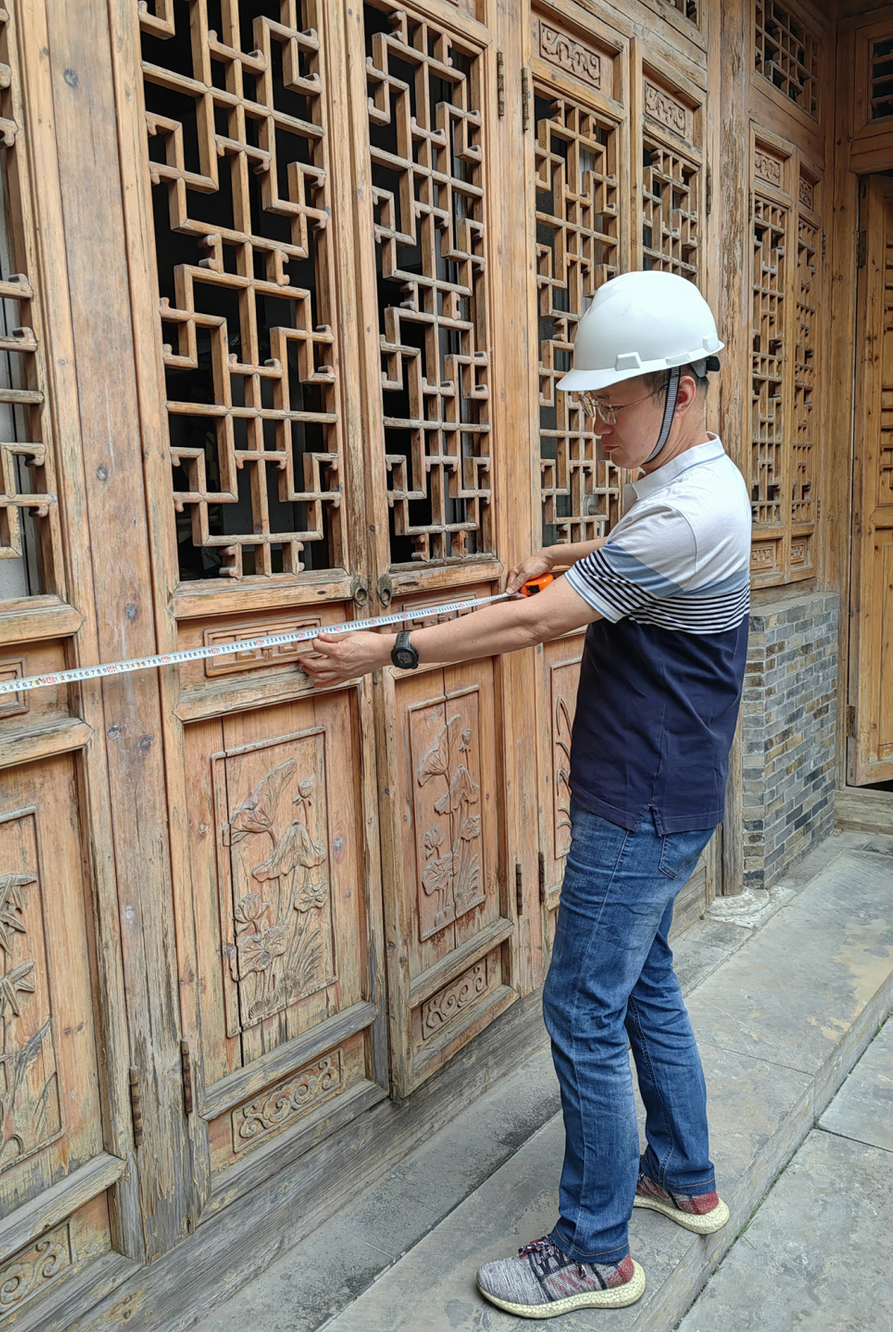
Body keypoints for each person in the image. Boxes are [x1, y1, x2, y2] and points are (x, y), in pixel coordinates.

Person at [299, 270, 751, 1320]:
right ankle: (684, 1177)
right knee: (642, 984)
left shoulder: (683, 515)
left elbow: (533, 623)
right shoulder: (695, 486)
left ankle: (594, 1252)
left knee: (581, 1008)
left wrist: (387, 649)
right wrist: (566, 554)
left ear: (681, 391)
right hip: (667, 793)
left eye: (613, 405)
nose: (598, 425)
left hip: (639, 804)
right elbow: (616, 566)